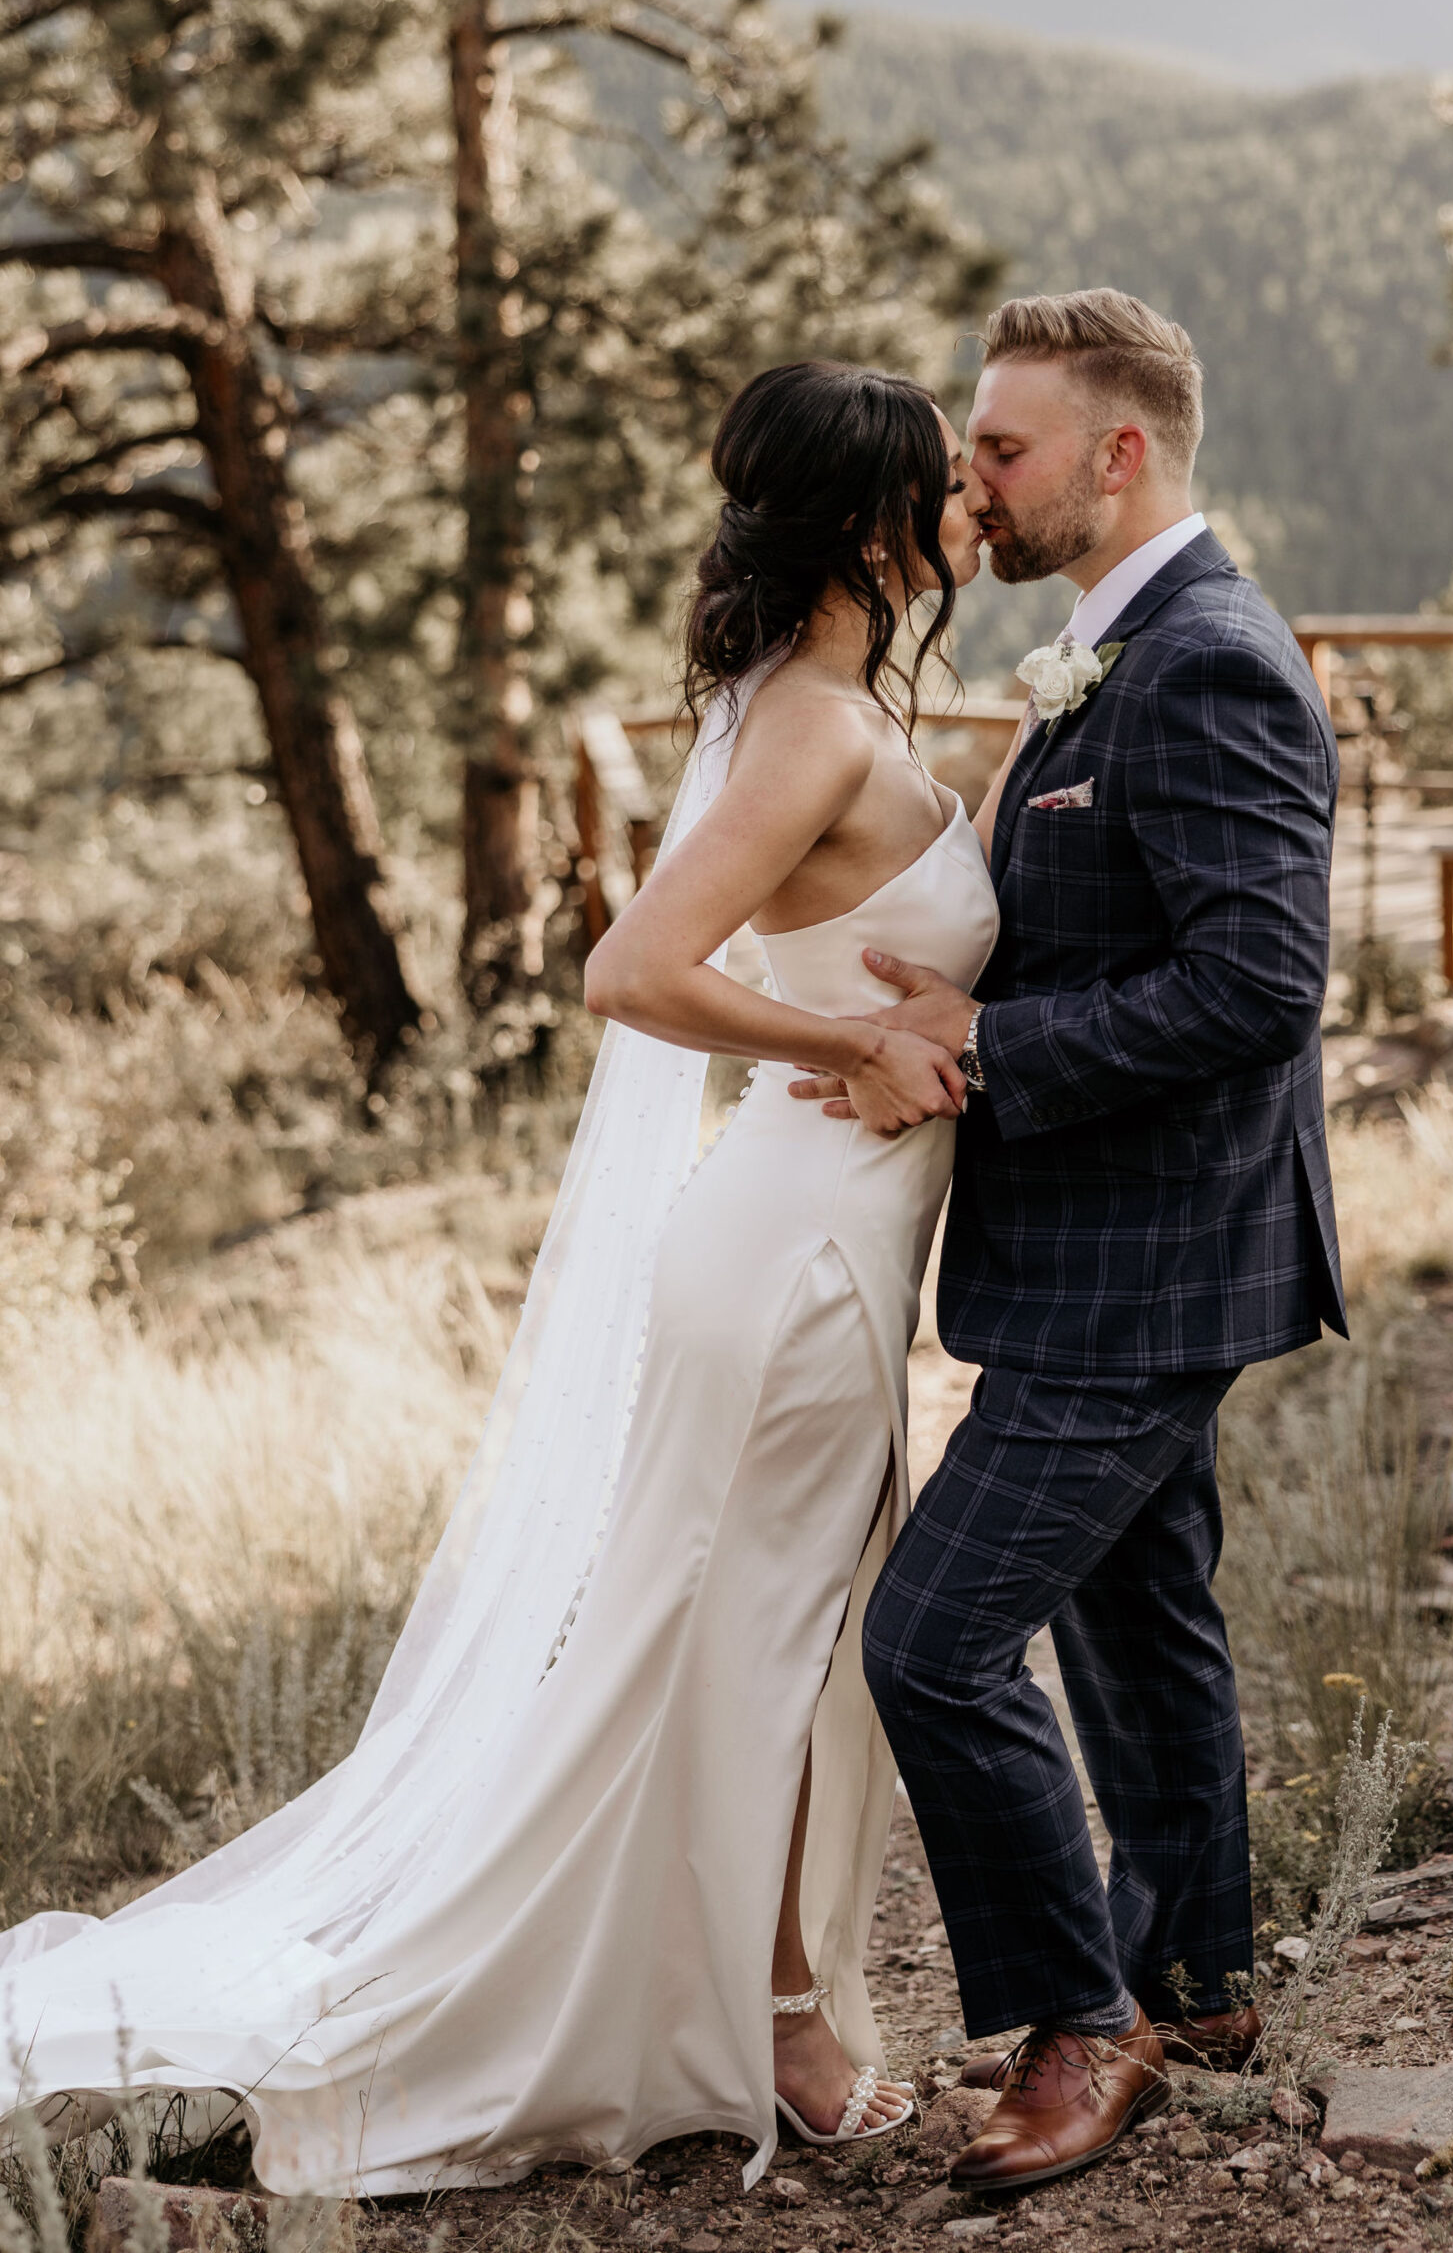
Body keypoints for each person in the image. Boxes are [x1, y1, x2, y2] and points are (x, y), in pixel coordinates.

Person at [0, 361, 998, 2192]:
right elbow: (634, 972)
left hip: (822, 1243)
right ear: (870, 523)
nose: (975, 507)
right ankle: (756, 2025)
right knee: (755, 1640)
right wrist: (842, 1049)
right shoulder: (812, 729)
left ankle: (742, 1998)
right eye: (947, 481)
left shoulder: (835, 708)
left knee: (764, 1630)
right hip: (787, 1259)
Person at [793, 289, 1347, 2197]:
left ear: (1122, 453)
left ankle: (1080, 2026)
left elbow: (1261, 983)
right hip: (1103, 1252)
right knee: (1140, 1611)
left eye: (1004, 449)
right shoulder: (1108, 648)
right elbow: (1131, 924)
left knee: (934, 1642)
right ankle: (1192, 1979)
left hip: (1150, 1264)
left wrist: (982, 1047)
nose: (974, 480)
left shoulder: (1208, 659)